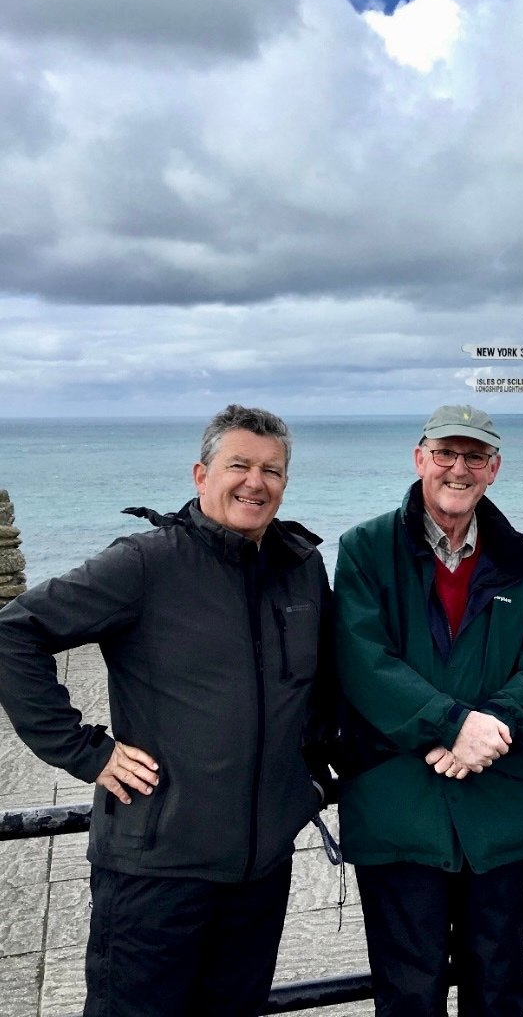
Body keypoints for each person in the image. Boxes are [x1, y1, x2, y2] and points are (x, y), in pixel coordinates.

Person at [0, 404, 334, 1017]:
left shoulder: (301, 567)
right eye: (238, 465)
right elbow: (14, 633)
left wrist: (311, 774)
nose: (255, 482)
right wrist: (87, 752)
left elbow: (321, 682)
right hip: (157, 871)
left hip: (260, 873)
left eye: (272, 470)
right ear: (201, 475)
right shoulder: (145, 563)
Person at [334, 403, 523, 1017]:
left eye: (474, 457)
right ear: (420, 459)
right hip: (398, 811)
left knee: (498, 986)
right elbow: (363, 661)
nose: (458, 469)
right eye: (445, 454)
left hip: (498, 812)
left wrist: (489, 731)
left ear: (494, 468)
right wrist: (453, 725)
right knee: (409, 992)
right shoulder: (365, 551)